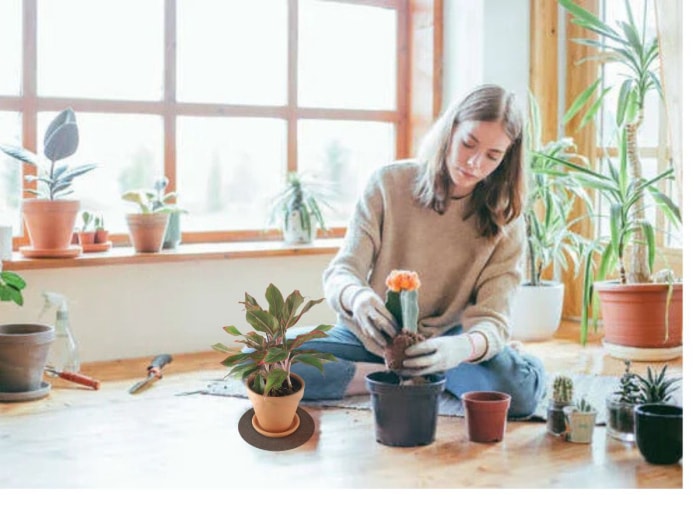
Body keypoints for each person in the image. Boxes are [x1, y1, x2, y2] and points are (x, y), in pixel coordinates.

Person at [290, 84, 546, 418]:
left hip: (448, 347)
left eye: (493, 156)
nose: (474, 162)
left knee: (519, 396)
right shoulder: (388, 183)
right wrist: (359, 298)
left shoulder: (506, 219)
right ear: (450, 130)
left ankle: (443, 370)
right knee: (262, 358)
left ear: (506, 158)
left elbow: (492, 319)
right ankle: (390, 377)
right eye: (468, 143)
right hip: (371, 339)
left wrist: (462, 348)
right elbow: (342, 271)